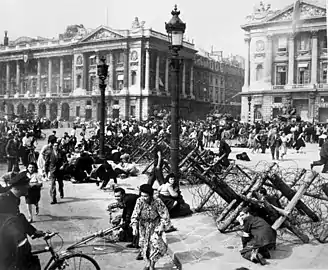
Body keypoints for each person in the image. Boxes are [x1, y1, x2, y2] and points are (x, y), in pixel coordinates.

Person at [131, 184, 171, 270]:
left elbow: (164, 215)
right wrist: (134, 227)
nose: (143, 198)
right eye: (142, 195)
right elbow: (135, 214)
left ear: (150, 195)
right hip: (143, 227)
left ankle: (152, 265)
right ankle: (148, 264)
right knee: (145, 247)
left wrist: (162, 226)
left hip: (155, 226)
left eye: (146, 196)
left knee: (157, 246)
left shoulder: (157, 201)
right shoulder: (139, 201)